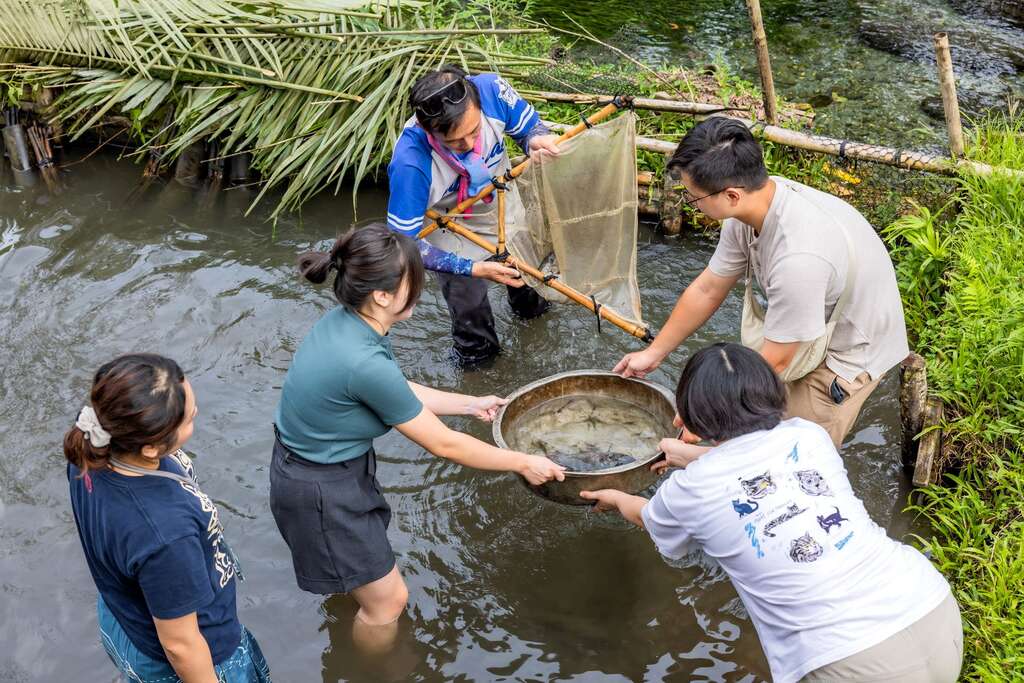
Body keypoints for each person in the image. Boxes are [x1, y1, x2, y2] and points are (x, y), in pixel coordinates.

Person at [584, 343, 962, 683]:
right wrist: (693, 458)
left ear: (692, 415)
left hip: (849, 662)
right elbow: (763, 467)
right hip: (934, 614)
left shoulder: (687, 490)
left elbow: (649, 518)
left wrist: (616, 497)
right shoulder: (808, 435)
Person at [269, 223, 564, 653]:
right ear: (383, 295)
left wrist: (468, 403)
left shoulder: (348, 323)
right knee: (389, 603)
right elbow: (445, 445)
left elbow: (396, 388)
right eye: (414, 278)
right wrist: (522, 461)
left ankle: (350, 625)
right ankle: (369, 673)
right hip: (320, 489)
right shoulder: (360, 359)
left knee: (362, 587)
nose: (421, 285)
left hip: (323, 469)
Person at [614, 117, 909, 448]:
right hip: (816, 311)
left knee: (792, 454)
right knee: (754, 426)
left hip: (851, 349)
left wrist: (709, 422)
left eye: (693, 197)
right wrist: (654, 353)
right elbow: (708, 288)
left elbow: (777, 361)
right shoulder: (752, 204)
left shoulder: (798, 259)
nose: (690, 203)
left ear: (731, 195)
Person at [65, 354, 271, 683]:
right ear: (150, 448)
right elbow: (180, 645)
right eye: (188, 419)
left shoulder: (92, 443)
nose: (196, 414)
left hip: (123, 617)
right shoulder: (164, 535)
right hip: (191, 653)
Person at [386, 65, 562, 366]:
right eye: (455, 142)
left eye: (474, 131)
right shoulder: (410, 164)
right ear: (429, 131)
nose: (469, 145)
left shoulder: (492, 90)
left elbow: (530, 129)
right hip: (451, 231)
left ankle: (535, 335)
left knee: (532, 293)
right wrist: (473, 269)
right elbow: (405, 243)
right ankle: (481, 377)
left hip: (504, 210)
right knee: (474, 332)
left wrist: (536, 141)